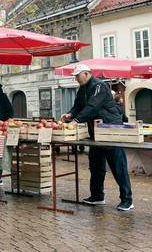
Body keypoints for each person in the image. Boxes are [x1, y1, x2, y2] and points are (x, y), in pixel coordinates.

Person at [60, 64, 133, 211]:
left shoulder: (99, 86)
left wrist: (76, 121)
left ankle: (127, 200)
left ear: (87, 74)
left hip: (110, 130)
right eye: (75, 76)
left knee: (118, 166)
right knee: (96, 165)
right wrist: (70, 114)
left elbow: (92, 106)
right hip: (95, 132)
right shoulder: (82, 89)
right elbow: (78, 106)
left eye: (77, 75)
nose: (76, 79)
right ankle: (97, 196)